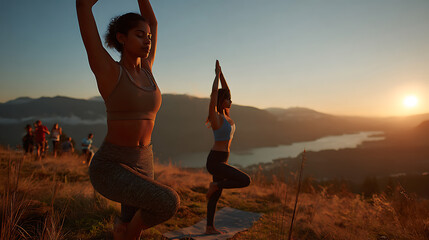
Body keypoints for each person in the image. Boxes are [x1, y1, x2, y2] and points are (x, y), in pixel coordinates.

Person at [76, 0, 179, 239]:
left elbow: (153, 22)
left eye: (149, 37)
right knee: (168, 202)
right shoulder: (109, 71)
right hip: (111, 165)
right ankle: (122, 232)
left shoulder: (148, 70)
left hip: (145, 160)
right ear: (122, 38)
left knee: (134, 221)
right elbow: (82, 6)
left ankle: (123, 230)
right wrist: (84, 6)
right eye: (140, 35)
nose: (147, 40)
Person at [205, 60, 251, 235]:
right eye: (228, 99)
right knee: (245, 180)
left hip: (223, 159)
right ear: (221, 101)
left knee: (215, 196)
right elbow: (214, 94)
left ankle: (209, 227)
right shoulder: (216, 117)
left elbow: (227, 90)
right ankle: (215, 184)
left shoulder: (227, 115)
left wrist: (222, 73)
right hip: (215, 160)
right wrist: (216, 77)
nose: (231, 100)